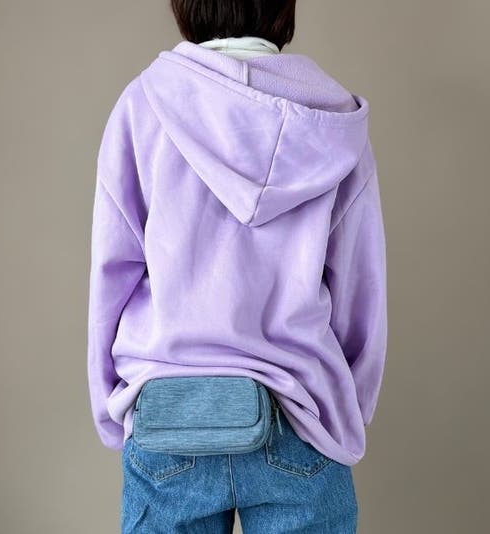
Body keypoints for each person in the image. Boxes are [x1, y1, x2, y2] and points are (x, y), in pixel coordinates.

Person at [86, 1, 388, 532]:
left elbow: (114, 273)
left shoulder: (142, 106)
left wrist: (113, 407)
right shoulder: (333, 123)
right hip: (299, 410)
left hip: (169, 413)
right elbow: (360, 285)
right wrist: (347, 405)